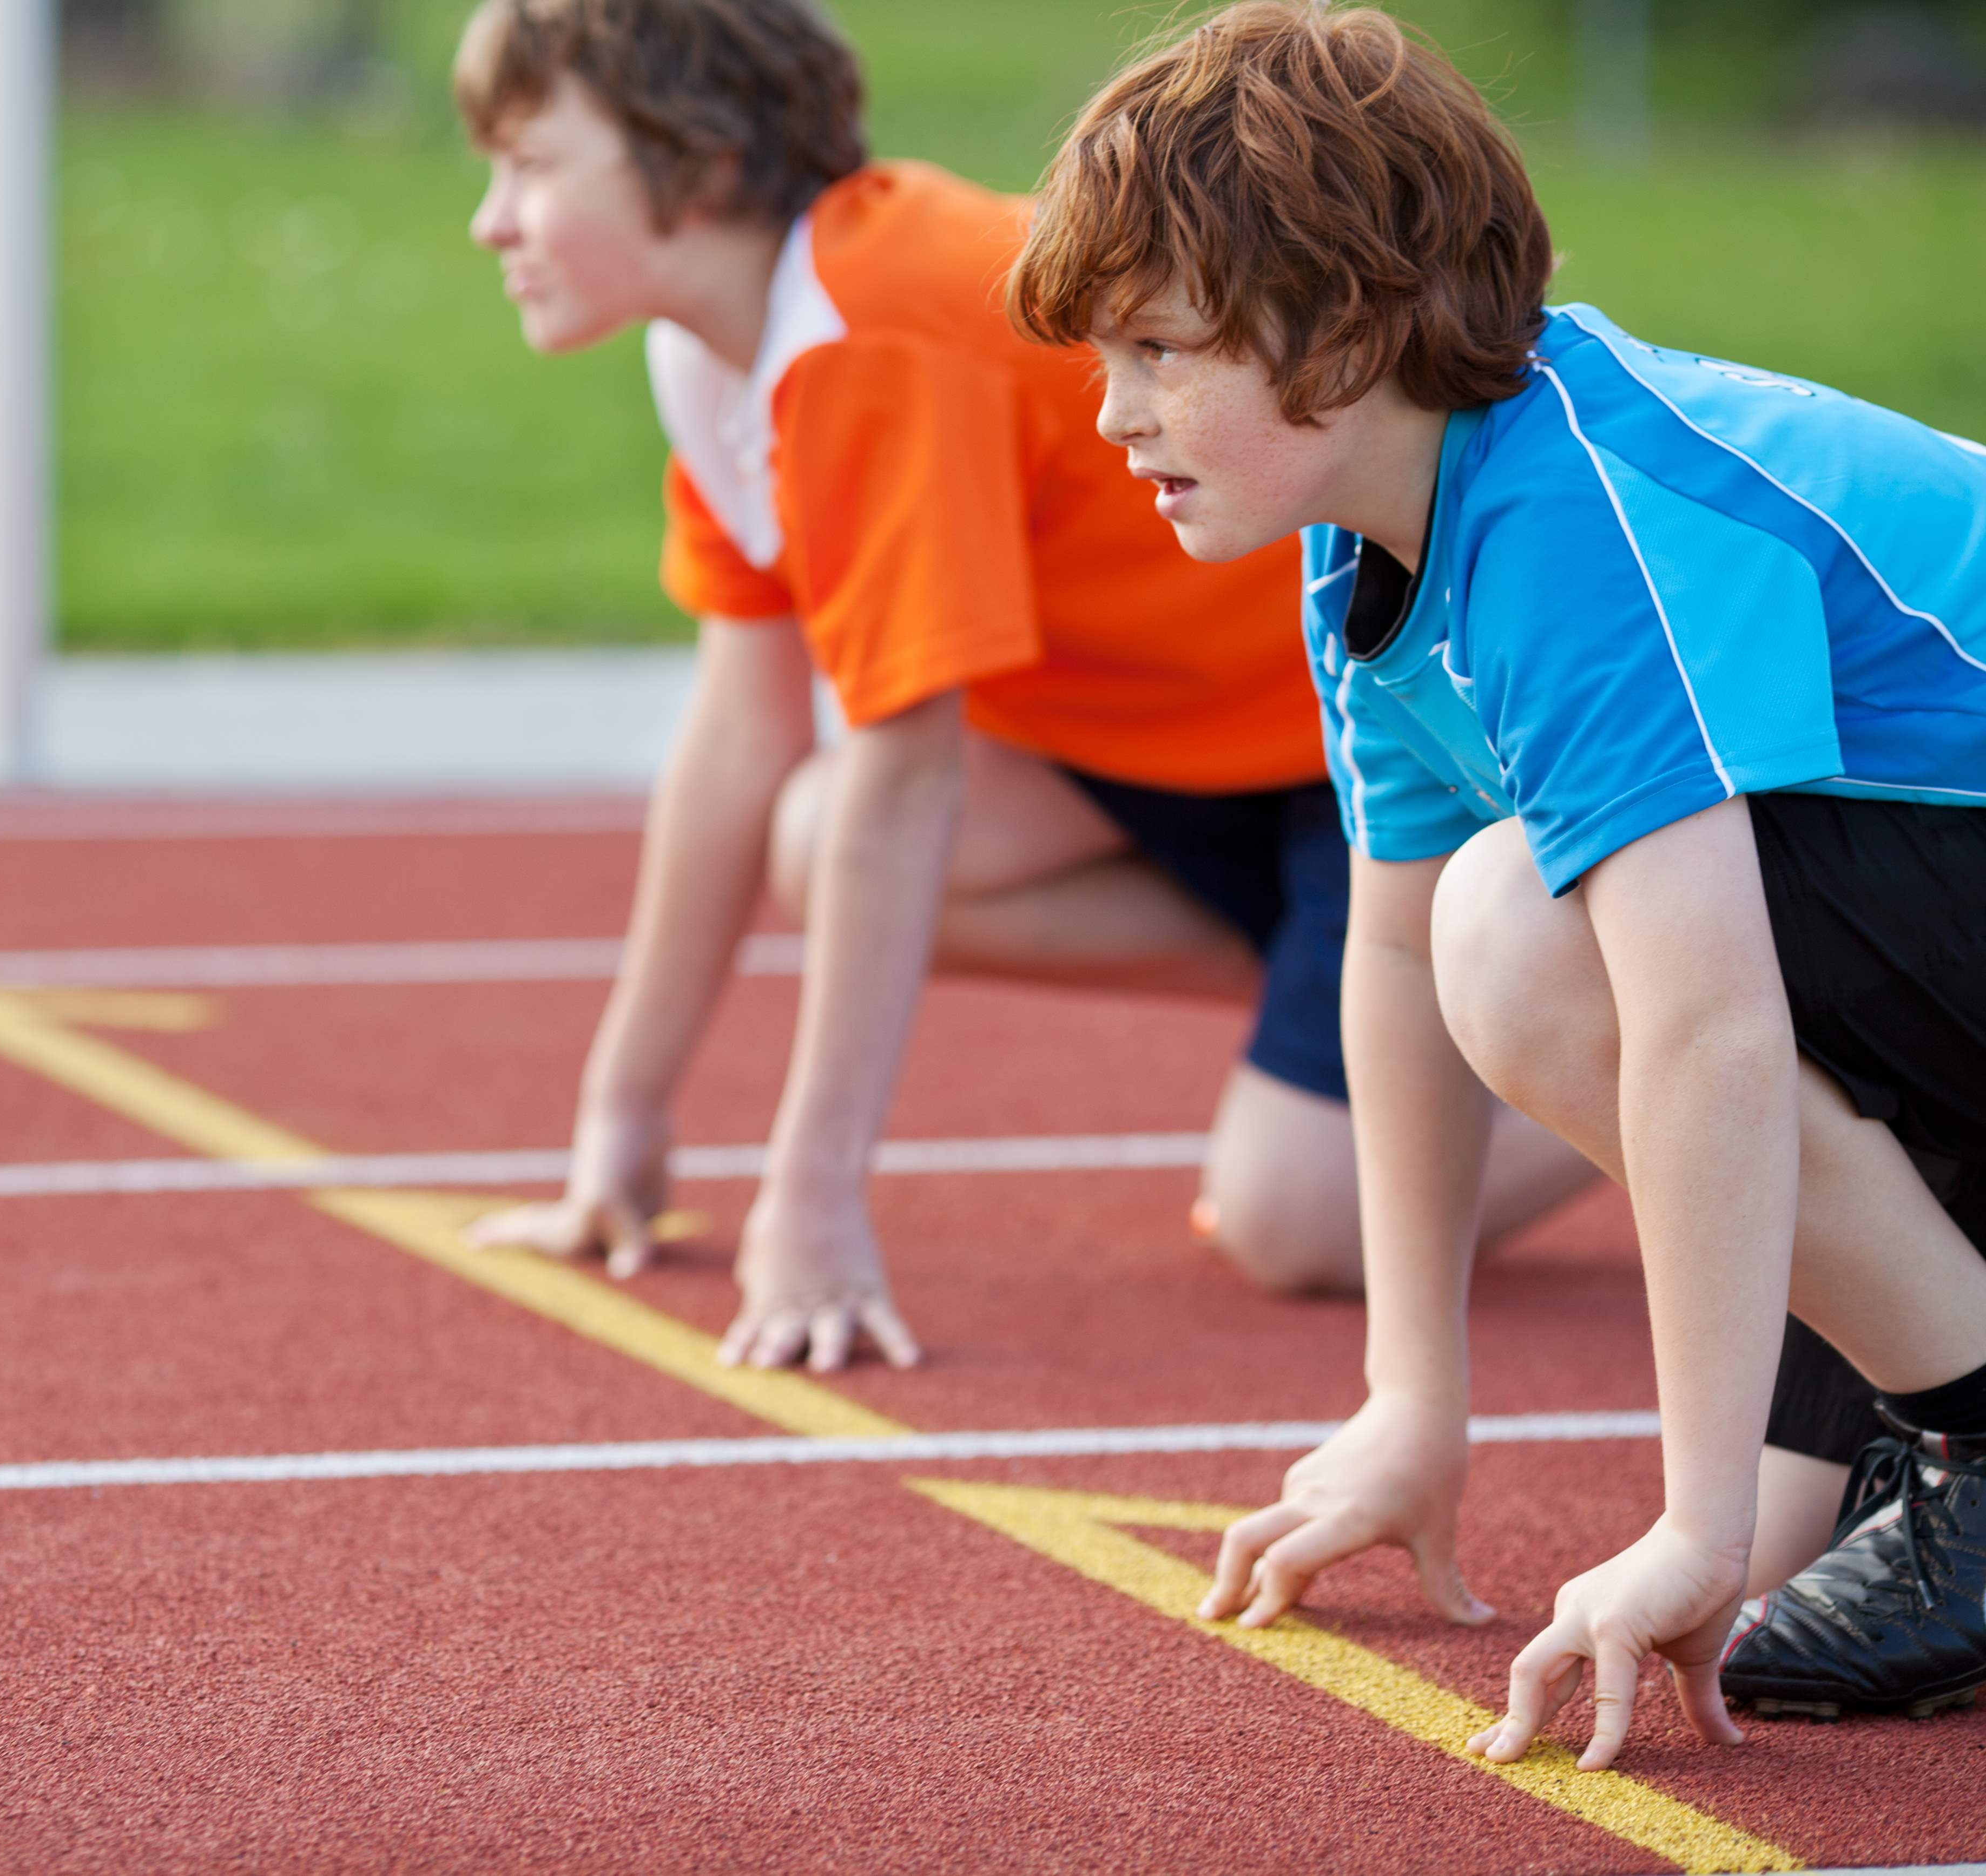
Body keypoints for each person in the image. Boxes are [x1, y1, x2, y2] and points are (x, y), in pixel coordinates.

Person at [1006, 0, 1986, 1767]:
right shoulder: (1362, 537)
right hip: (1931, 905)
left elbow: (1706, 1029)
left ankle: (1975, 1423)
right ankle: (1949, 1416)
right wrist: (1411, 1400)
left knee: (1528, 928)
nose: (1115, 414)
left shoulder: (1573, 516)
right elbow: (1383, 961)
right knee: (1774, 1569)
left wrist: (1686, 1520)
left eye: (1157, 349)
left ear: (1342, 325)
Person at [448, 0, 1591, 1373]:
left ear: (694, 166)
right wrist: (620, 1116)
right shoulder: (709, 350)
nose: (489, 220)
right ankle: (1331, 969)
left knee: (1294, 1226)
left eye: (527, 164)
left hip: (1352, 746)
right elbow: (737, 739)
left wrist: (808, 1199)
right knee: (807, 836)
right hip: (1153, 749)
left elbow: (905, 771)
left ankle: (1662, 1079)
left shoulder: (870, 328)